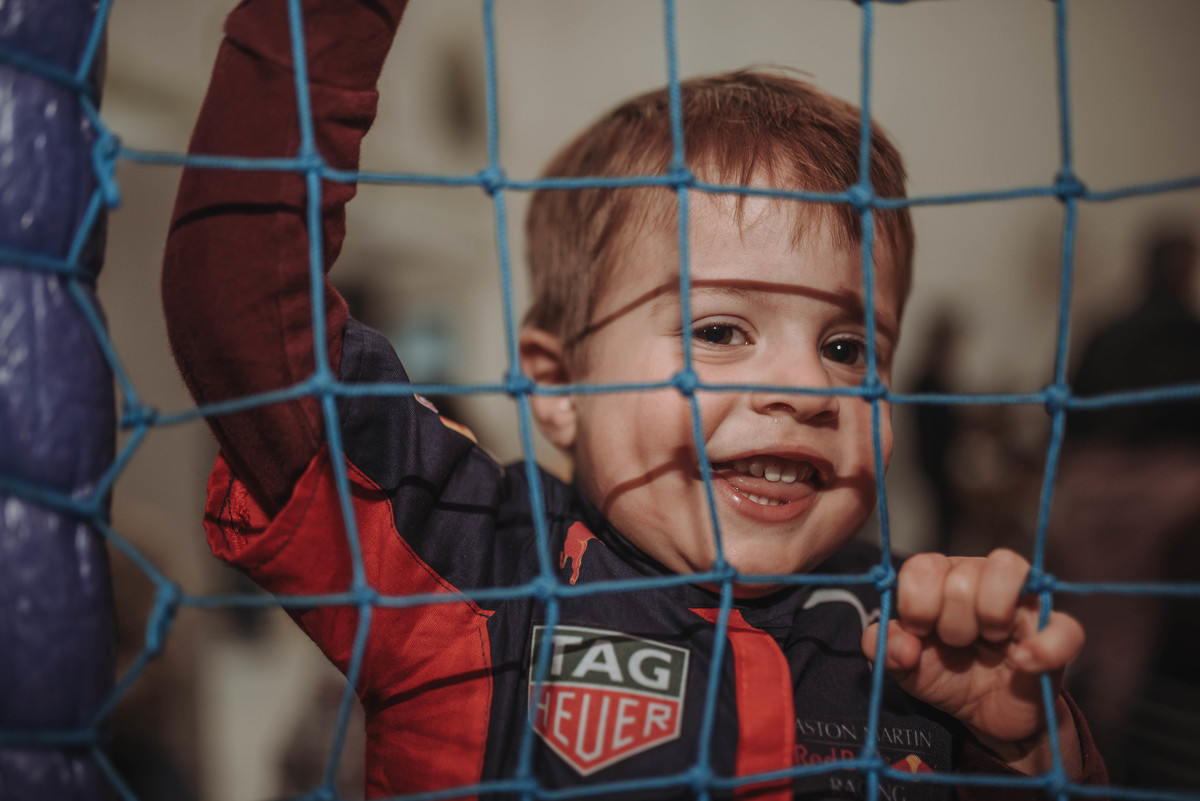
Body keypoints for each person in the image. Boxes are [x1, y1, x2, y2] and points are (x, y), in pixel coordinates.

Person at [162, 0, 1107, 798]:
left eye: (848, 348)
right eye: (720, 330)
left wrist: (1029, 751)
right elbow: (247, 324)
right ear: (557, 384)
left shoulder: (913, 639)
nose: (808, 388)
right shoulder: (470, 559)